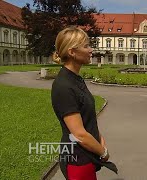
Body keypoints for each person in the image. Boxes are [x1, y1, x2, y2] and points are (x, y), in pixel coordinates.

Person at [51, 27, 110, 179]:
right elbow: (79, 134)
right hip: (77, 159)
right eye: (86, 46)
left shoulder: (75, 79)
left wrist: (100, 138)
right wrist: (103, 152)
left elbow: (86, 117)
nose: (91, 50)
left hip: (86, 156)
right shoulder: (63, 86)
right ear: (72, 52)